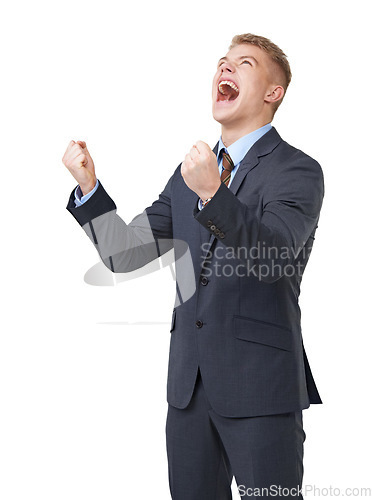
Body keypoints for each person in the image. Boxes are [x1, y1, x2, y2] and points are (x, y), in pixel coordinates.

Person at [62, 33, 324, 500]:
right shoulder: (189, 174)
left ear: (273, 92)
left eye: (243, 63)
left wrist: (213, 194)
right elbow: (124, 253)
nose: (225, 68)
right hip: (188, 390)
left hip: (260, 387)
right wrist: (89, 189)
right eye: (222, 62)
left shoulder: (297, 170)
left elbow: (275, 259)